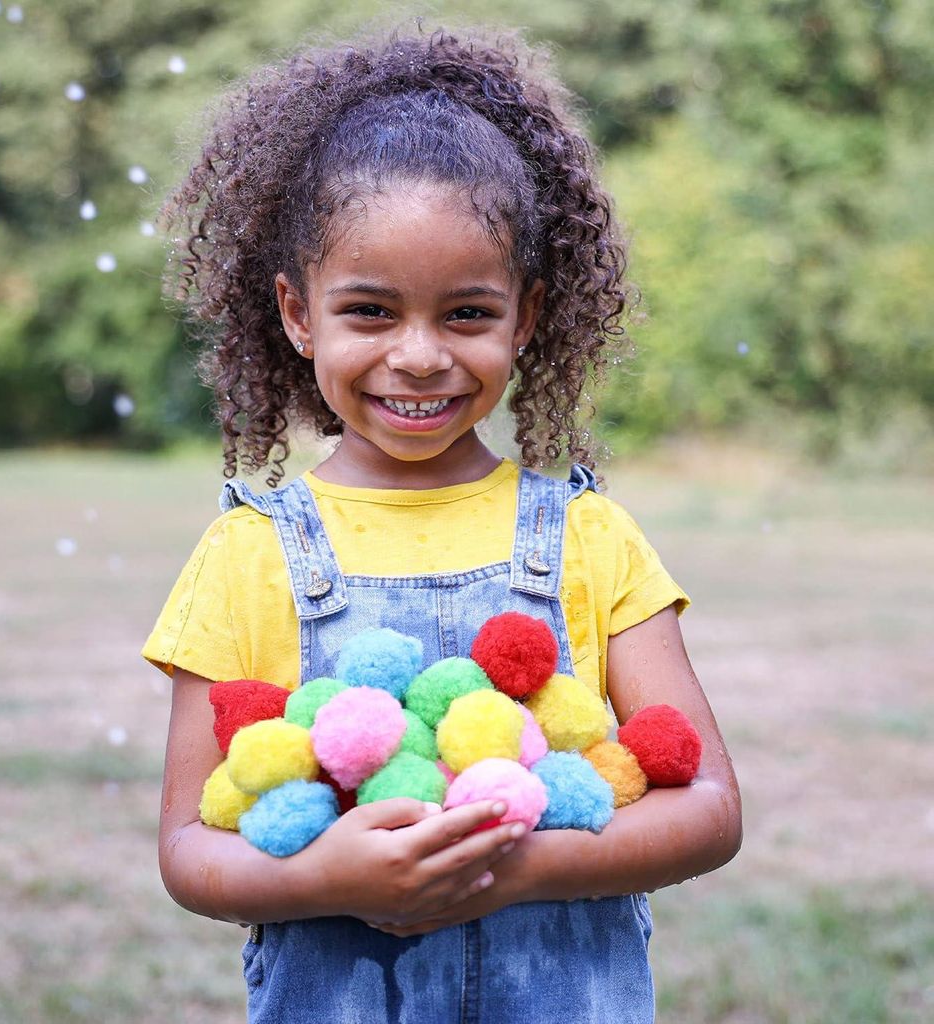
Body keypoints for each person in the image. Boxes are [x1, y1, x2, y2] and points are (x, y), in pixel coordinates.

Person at [143, 24, 742, 1024]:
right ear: (298, 315)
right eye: (370, 311)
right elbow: (185, 848)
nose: (417, 356)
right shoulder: (247, 553)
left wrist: (511, 867)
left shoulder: (592, 540)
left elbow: (711, 812)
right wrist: (326, 878)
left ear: (527, 316)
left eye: (466, 313)